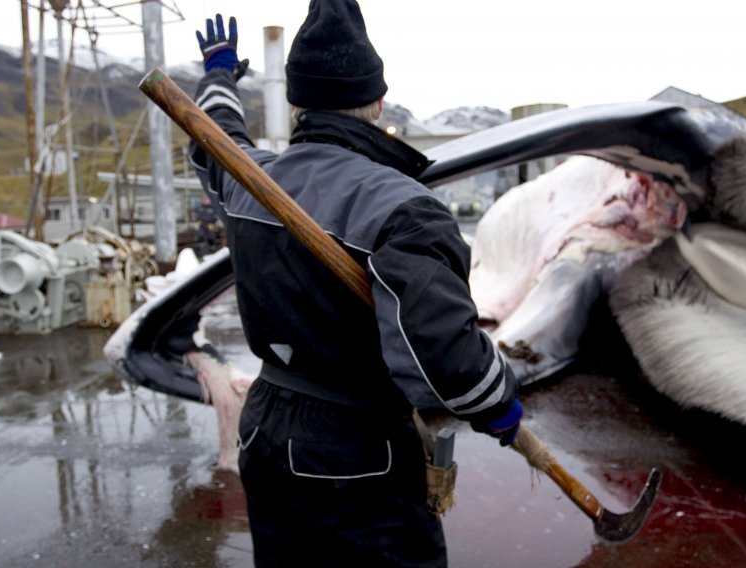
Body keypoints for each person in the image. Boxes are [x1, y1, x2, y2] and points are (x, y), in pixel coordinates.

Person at [190, 2, 523, 566]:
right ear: (377, 103)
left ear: (297, 104)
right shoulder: (404, 208)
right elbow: (442, 357)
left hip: (265, 427)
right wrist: (497, 403)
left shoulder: (252, 180)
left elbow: (212, 140)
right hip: (353, 444)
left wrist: (219, 74)